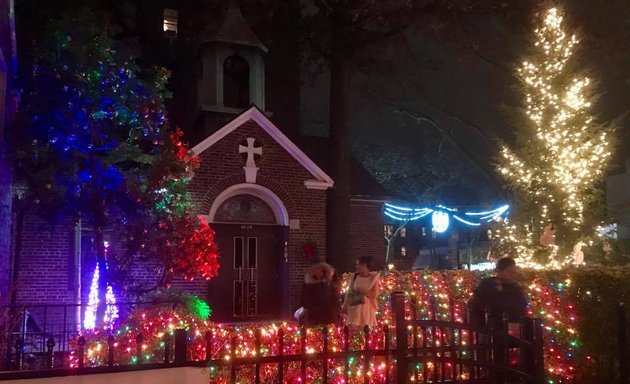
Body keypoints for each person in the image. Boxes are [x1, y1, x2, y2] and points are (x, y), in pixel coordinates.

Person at [468, 257, 529, 327]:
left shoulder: (516, 288)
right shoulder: (488, 285)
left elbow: (522, 306)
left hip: (513, 327)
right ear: (499, 271)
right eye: (509, 272)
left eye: (514, 272)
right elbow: (479, 306)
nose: (513, 274)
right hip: (492, 329)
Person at [343, 256, 380, 329]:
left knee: (365, 329)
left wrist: (364, 291)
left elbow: (374, 295)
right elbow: (349, 292)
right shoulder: (354, 277)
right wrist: (345, 305)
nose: (357, 267)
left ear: (366, 266)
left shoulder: (373, 278)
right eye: (357, 264)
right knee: (353, 329)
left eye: (359, 265)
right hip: (354, 307)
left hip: (366, 309)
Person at [300, 262, 340, 326]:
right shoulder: (310, 286)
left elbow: (335, 301)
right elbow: (304, 300)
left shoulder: (330, 286)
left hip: (323, 317)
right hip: (318, 317)